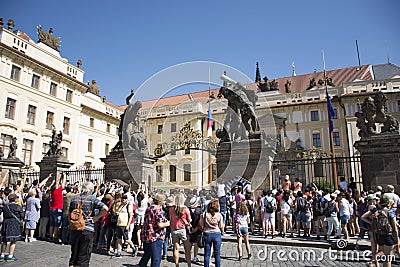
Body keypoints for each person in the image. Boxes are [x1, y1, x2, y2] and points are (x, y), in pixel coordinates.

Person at [68, 182, 108, 267]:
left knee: (74, 253)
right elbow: (105, 208)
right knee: (84, 254)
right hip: (87, 228)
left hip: (75, 228)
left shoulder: (74, 198)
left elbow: (69, 213)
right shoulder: (92, 199)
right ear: (91, 190)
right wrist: (96, 218)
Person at [363, 195, 399, 267]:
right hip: (388, 235)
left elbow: (363, 217)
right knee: (388, 258)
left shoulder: (375, 210)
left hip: (379, 235)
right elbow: (394, 226)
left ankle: (372, 261)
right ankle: (372, 261)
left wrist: (371, 223)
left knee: (384, 255)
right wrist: (396, 237)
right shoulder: (390, 211)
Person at [139, 193, 170, 267]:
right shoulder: (158, 209)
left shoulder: (149, 208)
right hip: (155, 236)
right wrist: (168, 223)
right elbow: (160, 224)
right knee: (156, 258)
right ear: (160, 202)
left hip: (147, 234)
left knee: (146, 255)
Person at [199, 199, 224, 267]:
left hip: (207, 233)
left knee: (207, 253)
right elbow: (221, 226)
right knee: (217, 254)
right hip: (216, 234)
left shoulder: (204, 214)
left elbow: (201, 224)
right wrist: (222, 231)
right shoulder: (219, 215)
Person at [169, 192, 192, 267]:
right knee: (187, 249)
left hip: (174, 229)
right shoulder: (185, 209)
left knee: (176, 248)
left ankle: (177, 265)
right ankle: (189, 265)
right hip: (183, 230)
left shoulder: (171, 208)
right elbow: (189, 220)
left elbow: (171, 218)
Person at [0, 194, 24, 262]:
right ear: (15, 199)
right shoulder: (17, 207)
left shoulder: (5, 207)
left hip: (6, 222)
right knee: (13, 240)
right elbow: (22, 215)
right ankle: (10, 256)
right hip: (14, 223)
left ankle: (2, 255)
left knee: (4, 240)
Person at [49, 174, 66, 243]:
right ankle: (55, 236)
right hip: (58, 209)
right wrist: (63, 176)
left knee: (51, 224)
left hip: (52, 208)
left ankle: (50, 235)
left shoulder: (52, 192)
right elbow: (63, 183)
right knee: (57, 224)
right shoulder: (58, 191)